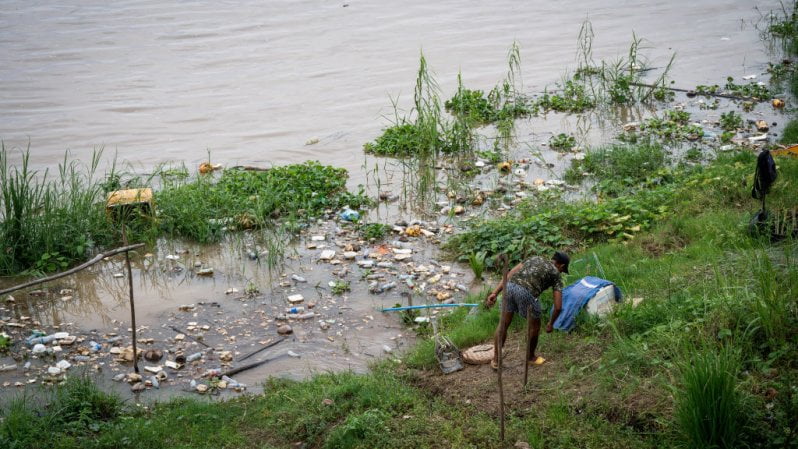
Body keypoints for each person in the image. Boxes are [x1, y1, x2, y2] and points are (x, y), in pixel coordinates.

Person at [486, 251, 569, 369]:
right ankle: (530, 357)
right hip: (526, 292)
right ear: (561, 266)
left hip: (509, 287)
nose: (561, 272)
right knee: (535, 326)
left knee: (503, 324)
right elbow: (558, 306)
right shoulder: (556, 274)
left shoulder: (534, 258)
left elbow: (509, 274)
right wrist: (551, 324)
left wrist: (495, 292)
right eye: (562, 270)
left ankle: (496, 360)